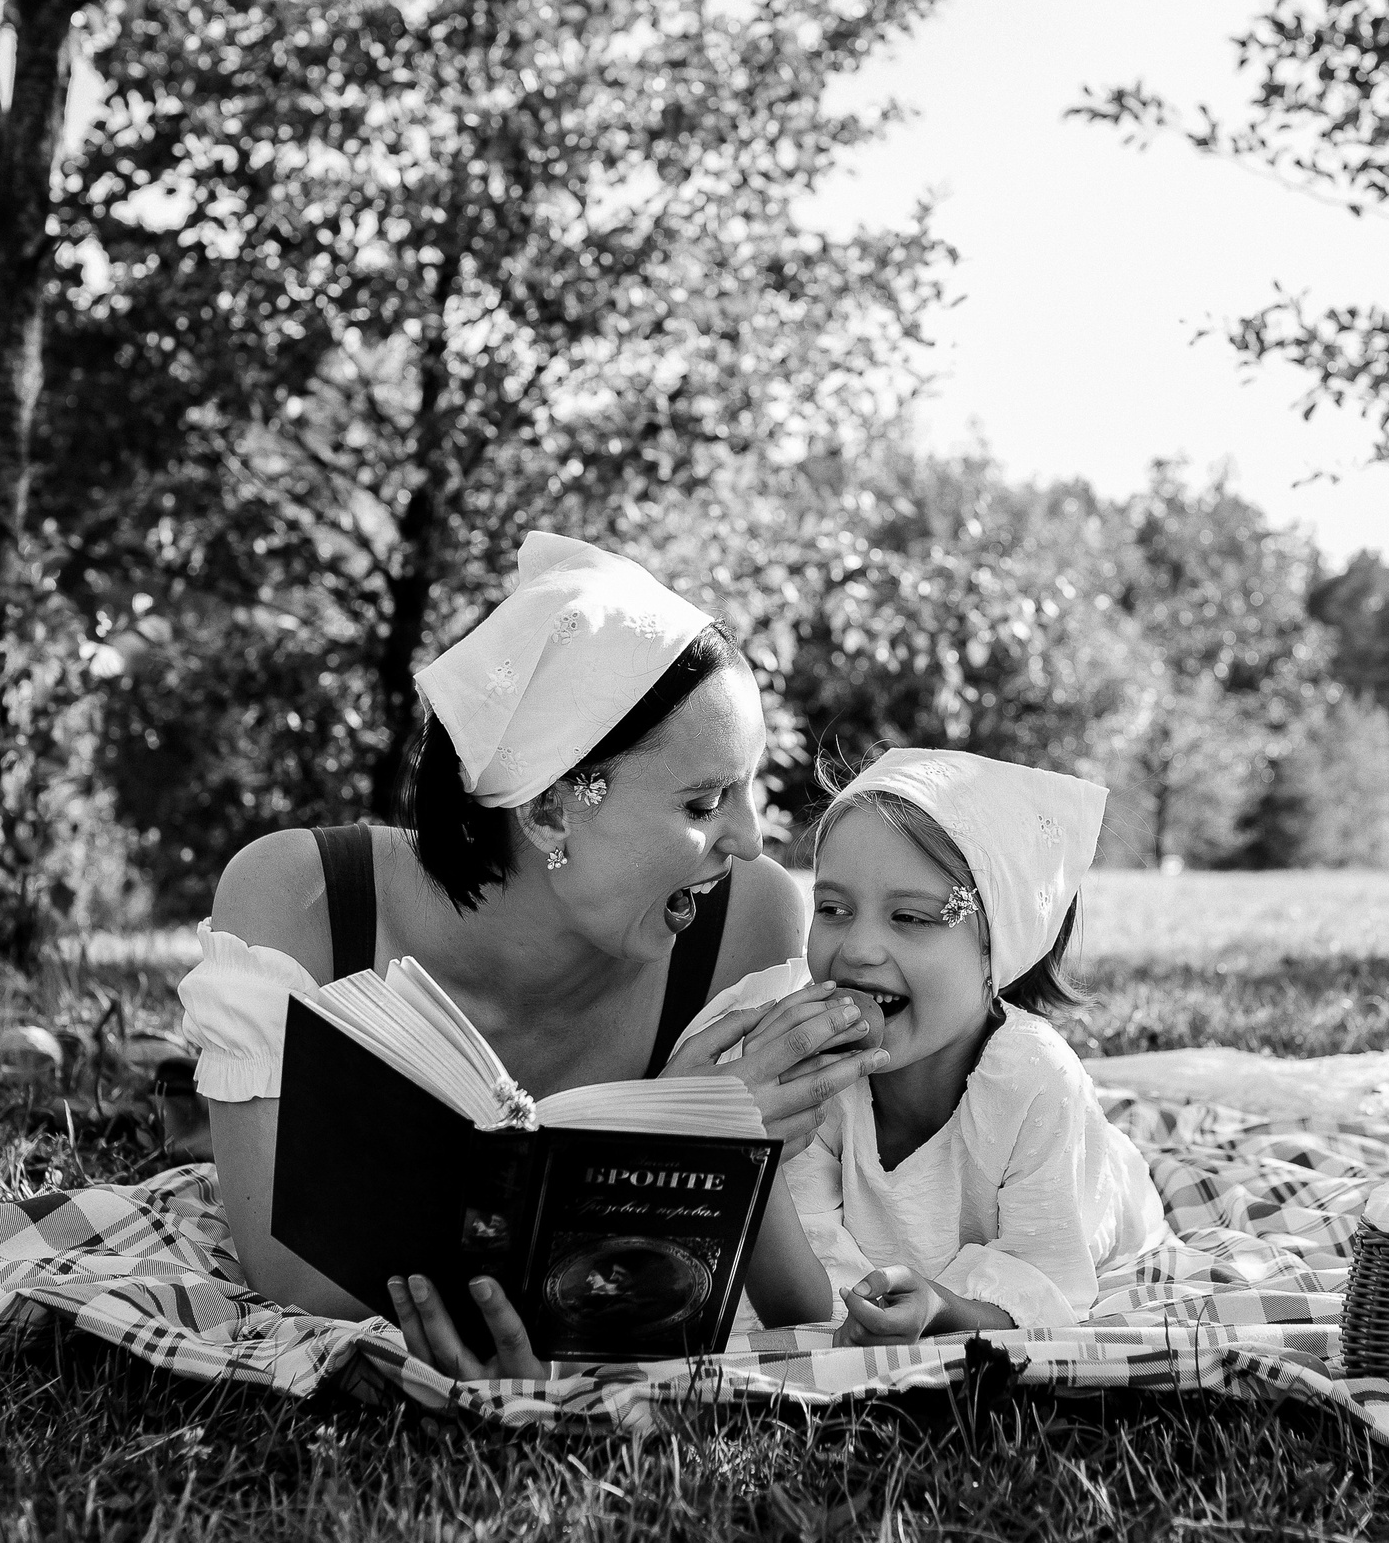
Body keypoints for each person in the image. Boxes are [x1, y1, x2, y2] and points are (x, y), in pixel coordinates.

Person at [178, 532, 888, 1374]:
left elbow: (764, 1297)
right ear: (550, 811)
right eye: (704, 800)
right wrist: (657, 1147)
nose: (745, 838)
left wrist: (707, 1145)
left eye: (746, 789)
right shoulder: (297, 901)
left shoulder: (749, 920)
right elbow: (289, 1274)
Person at [720, 749, 1169, 1342]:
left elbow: (1045, 1283)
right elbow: (805, 1303)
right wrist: (754, 1153)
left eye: (909, 917)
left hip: (1101, 1195)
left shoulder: (1034, 1080)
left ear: (996, 952)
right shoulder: (811, 1071)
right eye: (832, 909)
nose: (857, 949)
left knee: (1110, 1182)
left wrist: (947, 1310)